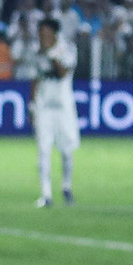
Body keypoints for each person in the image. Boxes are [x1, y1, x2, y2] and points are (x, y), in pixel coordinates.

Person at [31, 15, 80, 207]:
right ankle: (46, 194)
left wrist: (51, 54)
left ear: (54, 33)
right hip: (44, 107)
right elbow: (35, 79)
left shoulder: (67, 49)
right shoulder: (37, 52)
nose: (42, 37)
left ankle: (66, 187)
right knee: (43, 150)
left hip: (63, 107)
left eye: (45, 33)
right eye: (40, 33)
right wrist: (32, 105)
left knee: (67, 150)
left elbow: (63, 73)